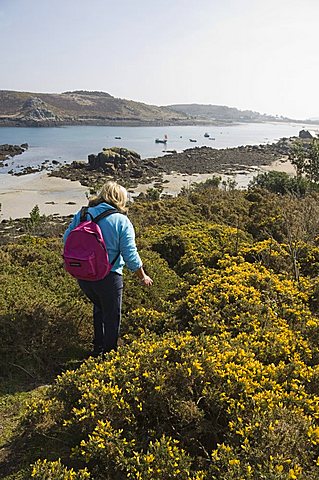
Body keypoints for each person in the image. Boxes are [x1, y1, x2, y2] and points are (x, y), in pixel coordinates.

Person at [63, 181, 153, 356]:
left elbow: (66, 240)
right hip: (109, 277)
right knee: (111, 317)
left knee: (99, 308)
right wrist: (143, 276)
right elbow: (130, 255)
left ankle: (97, 348)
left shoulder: (82, 214)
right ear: (120, 199)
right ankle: (110, 355)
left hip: (84, 276)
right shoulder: (121, 221)